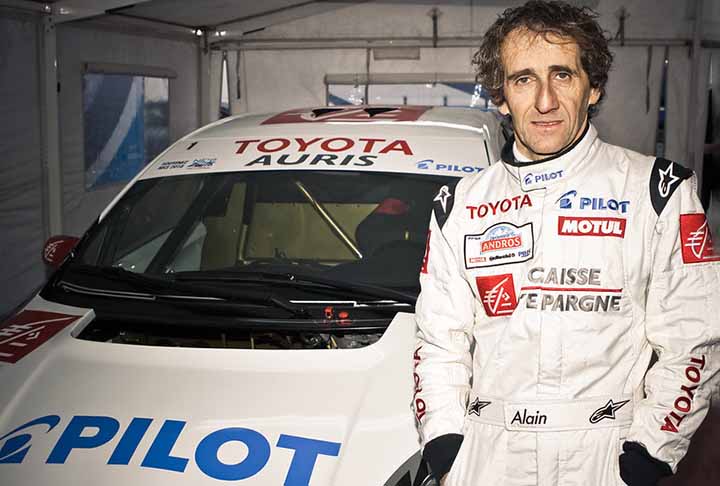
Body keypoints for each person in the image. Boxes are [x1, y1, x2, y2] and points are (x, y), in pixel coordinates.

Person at [412, 1, 720, 485]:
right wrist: (445, 444)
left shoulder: (657, 192)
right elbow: (438, 340)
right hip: (487, 454)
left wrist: (649, 454)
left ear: (592, 86)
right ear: (500, 96)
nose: (545, 101)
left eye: (562, 75)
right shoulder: (461, 203)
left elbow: (694, 340)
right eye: (523, 79)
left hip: (604, 455)